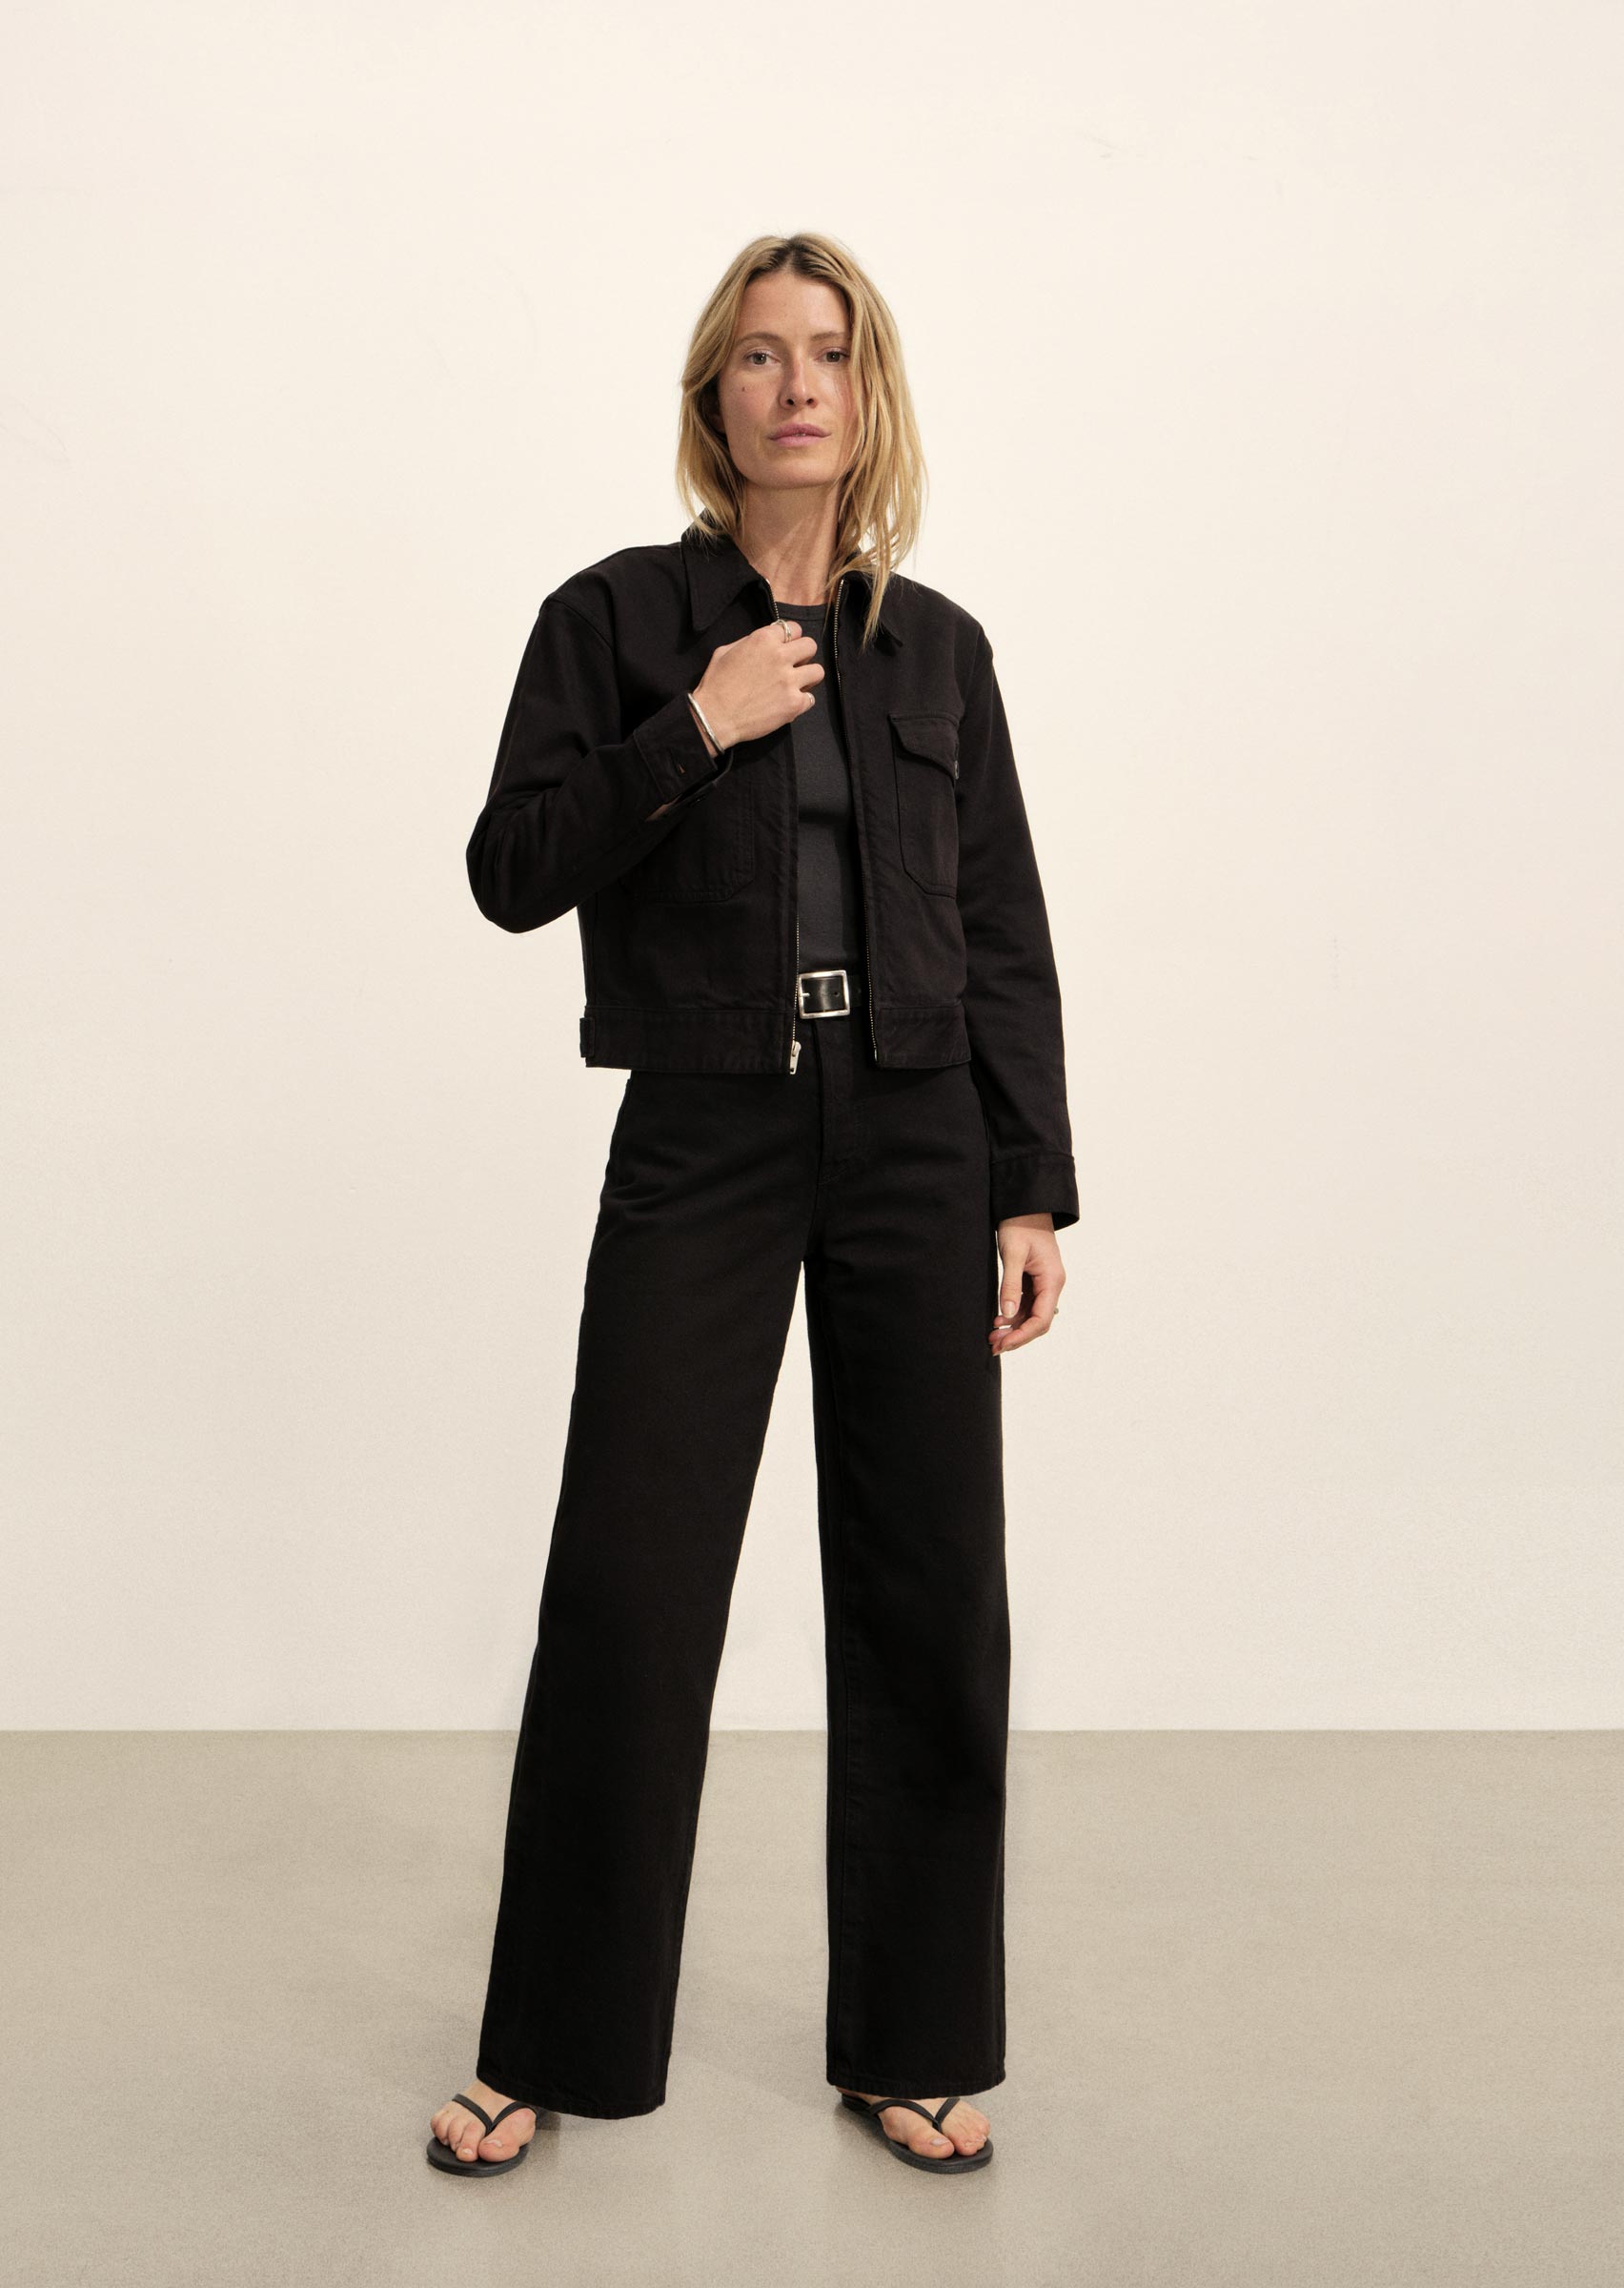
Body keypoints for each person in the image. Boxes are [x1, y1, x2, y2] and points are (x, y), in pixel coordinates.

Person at [427, 231, 1078, 2181]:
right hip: (706, 1125)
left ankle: (917, 2041)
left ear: (870, 400)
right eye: (763, 355)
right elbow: (511, 870)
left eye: (834, 355)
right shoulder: (616, 619)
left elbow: (1000, 926)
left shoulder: (939, 649)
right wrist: (695, 724)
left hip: (916, 1135)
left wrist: (1029, 1184)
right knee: (631, 1584)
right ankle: (552, 2040)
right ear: (712, 397)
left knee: (931, 1594)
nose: (800, 387)